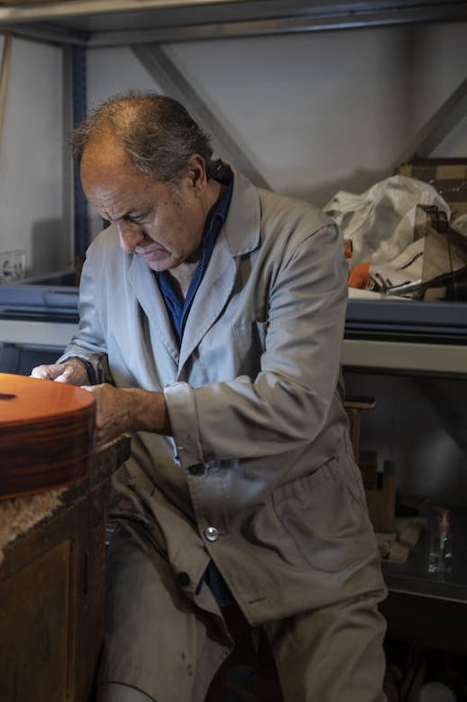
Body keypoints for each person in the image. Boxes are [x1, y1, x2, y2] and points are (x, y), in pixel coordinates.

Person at [31, 92, 387, 702]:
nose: (124, 241)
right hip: (165, 526)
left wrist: (141, 407)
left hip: (297, 528)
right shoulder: (106, 255)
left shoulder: (299, 241)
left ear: (193, 175)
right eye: (109, 219)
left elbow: (295, 400)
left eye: (137, 215)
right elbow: (94, 343)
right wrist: (75, 370)